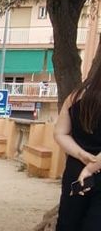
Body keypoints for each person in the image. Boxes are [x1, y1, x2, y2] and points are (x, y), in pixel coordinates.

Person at [54, 57, 101, 230]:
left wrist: (82, 155)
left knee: (68, 222)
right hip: (90, 171)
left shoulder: (75, 96)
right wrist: (91, 168)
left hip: (76, 171)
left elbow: (60, 133)